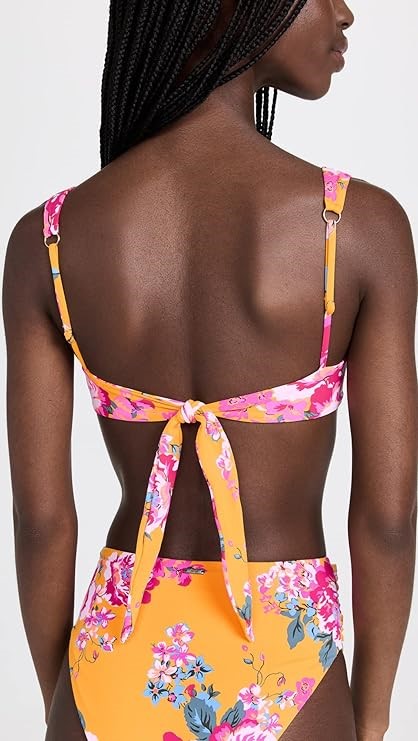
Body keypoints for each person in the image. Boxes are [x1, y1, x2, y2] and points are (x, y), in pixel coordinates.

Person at [3, 1, 417, 740]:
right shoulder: (356, 228)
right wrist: (372, 714)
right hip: (286, 660)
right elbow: (387, 519)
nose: (345, 12)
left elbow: (42, 523)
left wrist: (68, 697)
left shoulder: (49, 240)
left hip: (111, 659)